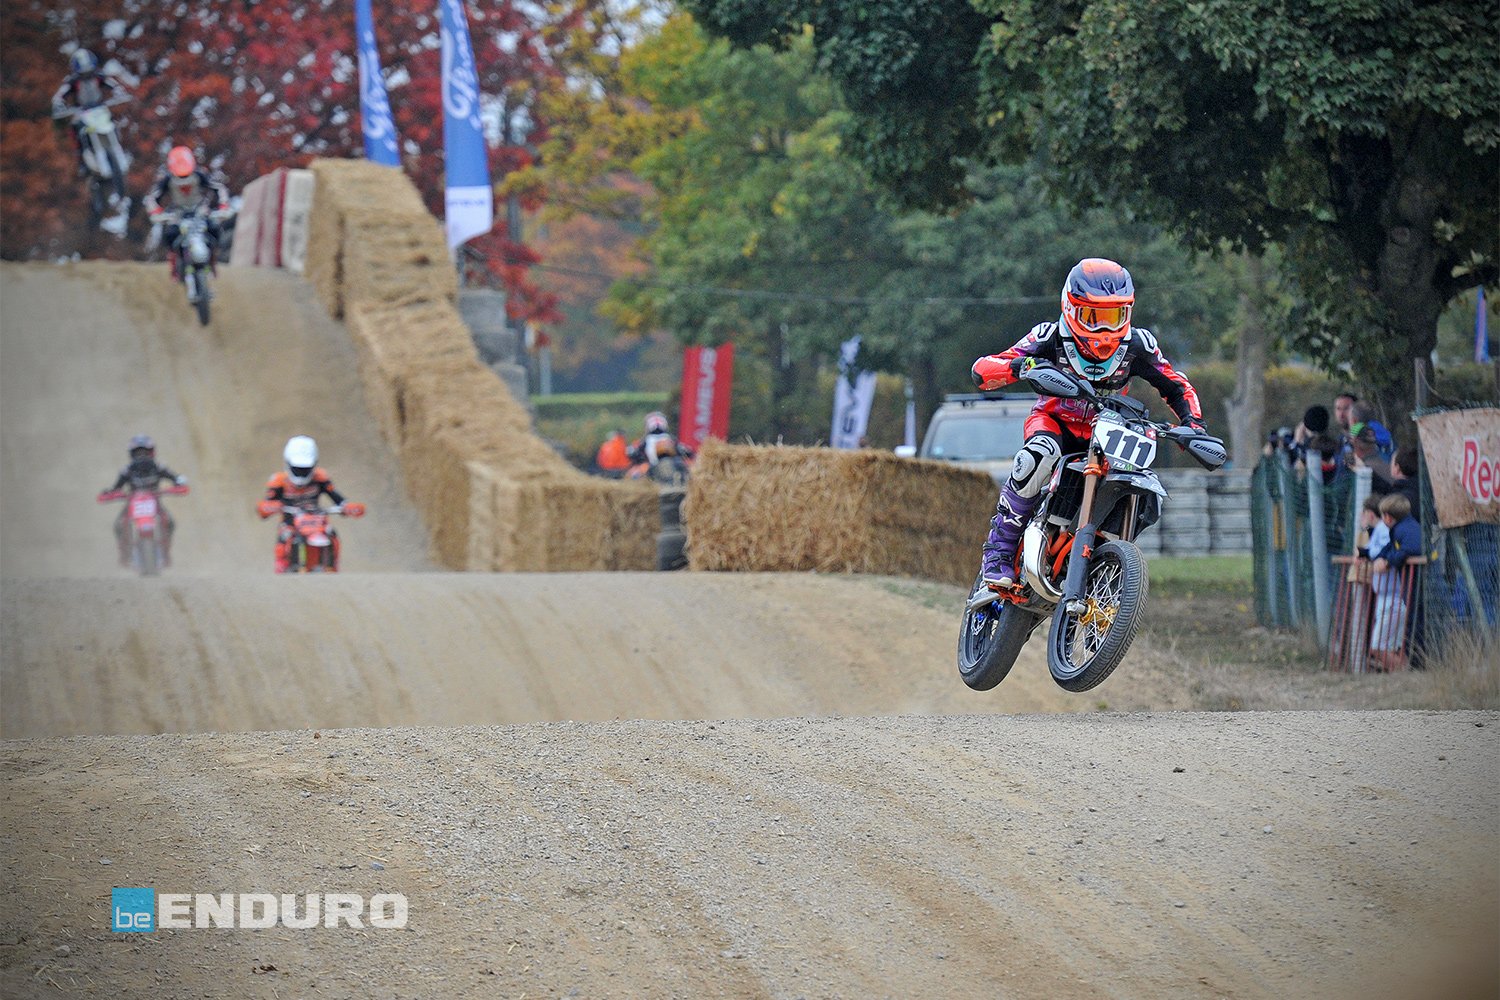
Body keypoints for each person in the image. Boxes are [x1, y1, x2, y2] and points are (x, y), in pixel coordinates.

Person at [970, 258, 1207, 588]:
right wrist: (1024, 367)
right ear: (1071, 308)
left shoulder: (1139, 345)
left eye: (1115, 316)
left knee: (1143, 485)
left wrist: (1193, 425)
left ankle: (1106, 561)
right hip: (1055, 423)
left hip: (1110, 431)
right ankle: (999, 549)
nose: (1105, 330)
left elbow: (1175, 385)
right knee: (1037, 456)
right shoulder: (1050, 336)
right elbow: (984, 369)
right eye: (1094, 317)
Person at [255, 436, 363, 573]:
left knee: (331, 533)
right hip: (291, 522)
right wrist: (269, 507)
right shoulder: (279, 481)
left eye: (305, 469)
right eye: (297, 468)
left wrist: (347, 507)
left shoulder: (320, 478)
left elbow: (336, 497)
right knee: (285, 535)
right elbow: (265, 505)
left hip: (317, 519)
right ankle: (281, 567)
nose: (301, 473)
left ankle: (333, 566)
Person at [98, 435, 186, 566]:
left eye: (145, 451)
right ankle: (124, 554)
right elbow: (116, 487)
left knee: (170, 523)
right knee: (119, 525)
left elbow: (175, 478)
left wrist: (179, 483)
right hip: (132, 502)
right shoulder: (127, 470)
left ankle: (166, 552)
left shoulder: (159, 467)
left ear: (151, 452)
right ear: (132, 454)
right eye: (138, 452)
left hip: (155, 502)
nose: (141, 455)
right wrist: (110, 493)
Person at [144, 146, 231, 278]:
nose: (183, 177)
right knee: (170, 234)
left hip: (199, 211)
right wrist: (156, 212)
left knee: (214, 230)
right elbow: (153, 198)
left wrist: (223, 206)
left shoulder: (200, 174)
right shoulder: (167, 179)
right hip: (177, 214)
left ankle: (212, 262)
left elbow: (218, 188)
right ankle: (174, 265)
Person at [50, 48, 129, 178]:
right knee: (76, 129)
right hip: (82, 112)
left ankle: (119, 148)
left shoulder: (99, 76)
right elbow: (60, 94)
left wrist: (119, 92)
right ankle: (81, 159)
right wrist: (59, 103)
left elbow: (114, 85)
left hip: (100, 109)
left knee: (114, 123)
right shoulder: (72, 80)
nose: (86, 72)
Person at [1369, 492, 1421, 671]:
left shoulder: (1404, 530)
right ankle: (1410, 668)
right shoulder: (1401, 529)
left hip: (1414, 589)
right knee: (1409, 631)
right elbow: (1389, 548)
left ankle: (1411, 670)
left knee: (1415, 627)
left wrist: (1389, 562)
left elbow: (1411, 548)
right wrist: (1376, 556)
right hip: (1406, 592)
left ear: (1387, 517)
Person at [627, 411, 694, 476]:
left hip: (653, 467)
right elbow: (687, 451)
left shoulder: (646, 440)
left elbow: (633, 452)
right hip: (669, 467)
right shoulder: (670, 438)